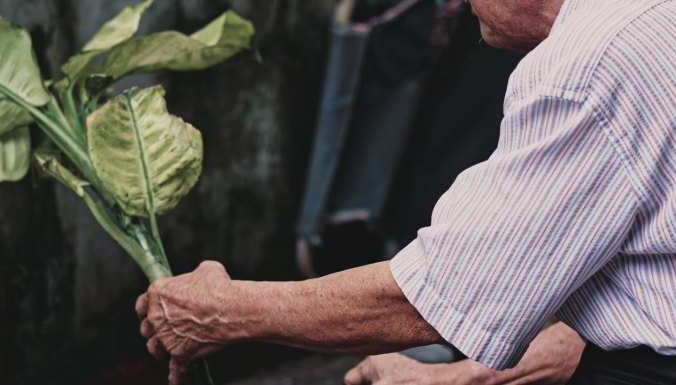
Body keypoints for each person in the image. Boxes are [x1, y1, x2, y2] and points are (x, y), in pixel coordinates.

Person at [136, 1, 676, 384]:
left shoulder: (588, 65)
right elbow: (653, 294)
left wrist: (222, 312)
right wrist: (462, 378)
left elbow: (441, 295)